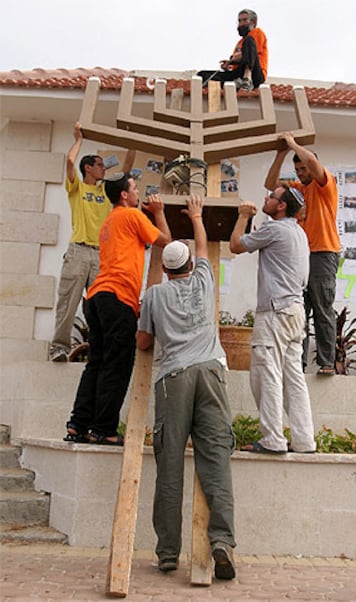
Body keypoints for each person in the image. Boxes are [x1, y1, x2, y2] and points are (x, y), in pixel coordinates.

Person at [137, 195, 236, 579]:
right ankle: (222, 542)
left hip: (173, 379)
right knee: (217, 462)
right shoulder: (205, 280)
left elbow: (144, 342)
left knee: (170, 465)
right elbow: (201, 245)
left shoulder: (155, 294)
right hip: (211, 373)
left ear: (164, 267)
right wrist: (196, 215)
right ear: (191, 267)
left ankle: (167, 553)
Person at [64, 174, 171, 445]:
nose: (138, 193)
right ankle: (103, 428)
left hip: (98, 296)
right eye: (134, 188)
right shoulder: (132, 216)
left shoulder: (110, 221)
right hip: (118, 298)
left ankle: (79, 423)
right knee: (118, 365)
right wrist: (158, 213)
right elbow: (165, 240)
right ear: (124, 195)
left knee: (96, 363)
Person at [229, 186, 316, 454]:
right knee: (293, 378)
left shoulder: (274, 229)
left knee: (267, 373)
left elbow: (235, 245)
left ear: (281, 206)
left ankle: (273, 439)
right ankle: (304, 440)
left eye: (272, 197)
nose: (266, 198)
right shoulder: (298, 232)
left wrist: (243, 216)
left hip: (275, 312)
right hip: (294, 311)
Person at [49, 122, 136, 362]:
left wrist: (131, 142)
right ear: (88, 168)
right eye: (99, 164)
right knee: (68, 302)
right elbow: (69, 163)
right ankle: (59, 347)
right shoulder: (76, 188)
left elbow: (126, 172)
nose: (104, 168)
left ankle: (100, 348)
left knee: (102, 305)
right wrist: (78, 139)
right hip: (78, 251)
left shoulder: (105, 191)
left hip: (101, 255)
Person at [265, 132, 341, 375]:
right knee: (300, 309)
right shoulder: (296, 190)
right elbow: (270, 184)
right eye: (297, 170)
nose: (300, 173)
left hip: (323, 253)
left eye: (304, 169)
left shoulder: (325, 185)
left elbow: (315, 165)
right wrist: (281, 153)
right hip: (300, 255)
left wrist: (293, 144)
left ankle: (327, 363)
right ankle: (299, 363)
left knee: (322, 307)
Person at [197, 9, 268, 91]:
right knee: (202, 75)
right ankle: (233, 85)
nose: (241, 24)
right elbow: (238, 61)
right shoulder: (239, 43)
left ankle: (247, 79)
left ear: (253, 22)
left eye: (244, 20)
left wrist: (231, 61)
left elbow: (248, 55)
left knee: (249, 40)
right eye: (239, 21)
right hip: (238, 74)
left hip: (255, 74)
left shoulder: (257, 33)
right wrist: (229, 66)